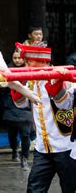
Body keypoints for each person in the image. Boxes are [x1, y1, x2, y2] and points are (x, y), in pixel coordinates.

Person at [12, 43, 75, 192]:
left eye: (28, 63)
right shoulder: (30, 81)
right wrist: (16, 84)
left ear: (42, 62)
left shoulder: (62, 75)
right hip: (42, 148)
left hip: (66, 146)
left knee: (70, 188)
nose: (25, 66)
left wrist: (57, 83)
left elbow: (65, 105)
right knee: (34, 189)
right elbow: (20, 105)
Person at [2, 49, 32, 170]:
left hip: (26, 107)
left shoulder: (30, 70)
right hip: (10, 105)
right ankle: (14, 150)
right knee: (12, 134)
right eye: (15, 58)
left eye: (20, 58)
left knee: (26, 134)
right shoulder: (5, 70)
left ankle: (24, 158)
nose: (18, 60)